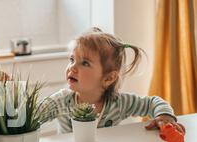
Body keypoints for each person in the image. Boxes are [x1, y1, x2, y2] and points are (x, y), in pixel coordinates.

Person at [45, 28, 186, 134]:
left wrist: (165, 116)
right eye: (72, 60)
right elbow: (34, 113)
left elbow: (153, 102)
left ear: (108, 78)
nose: (72, 67)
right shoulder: (61, 101)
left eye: (85, 63)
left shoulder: (118, 103)